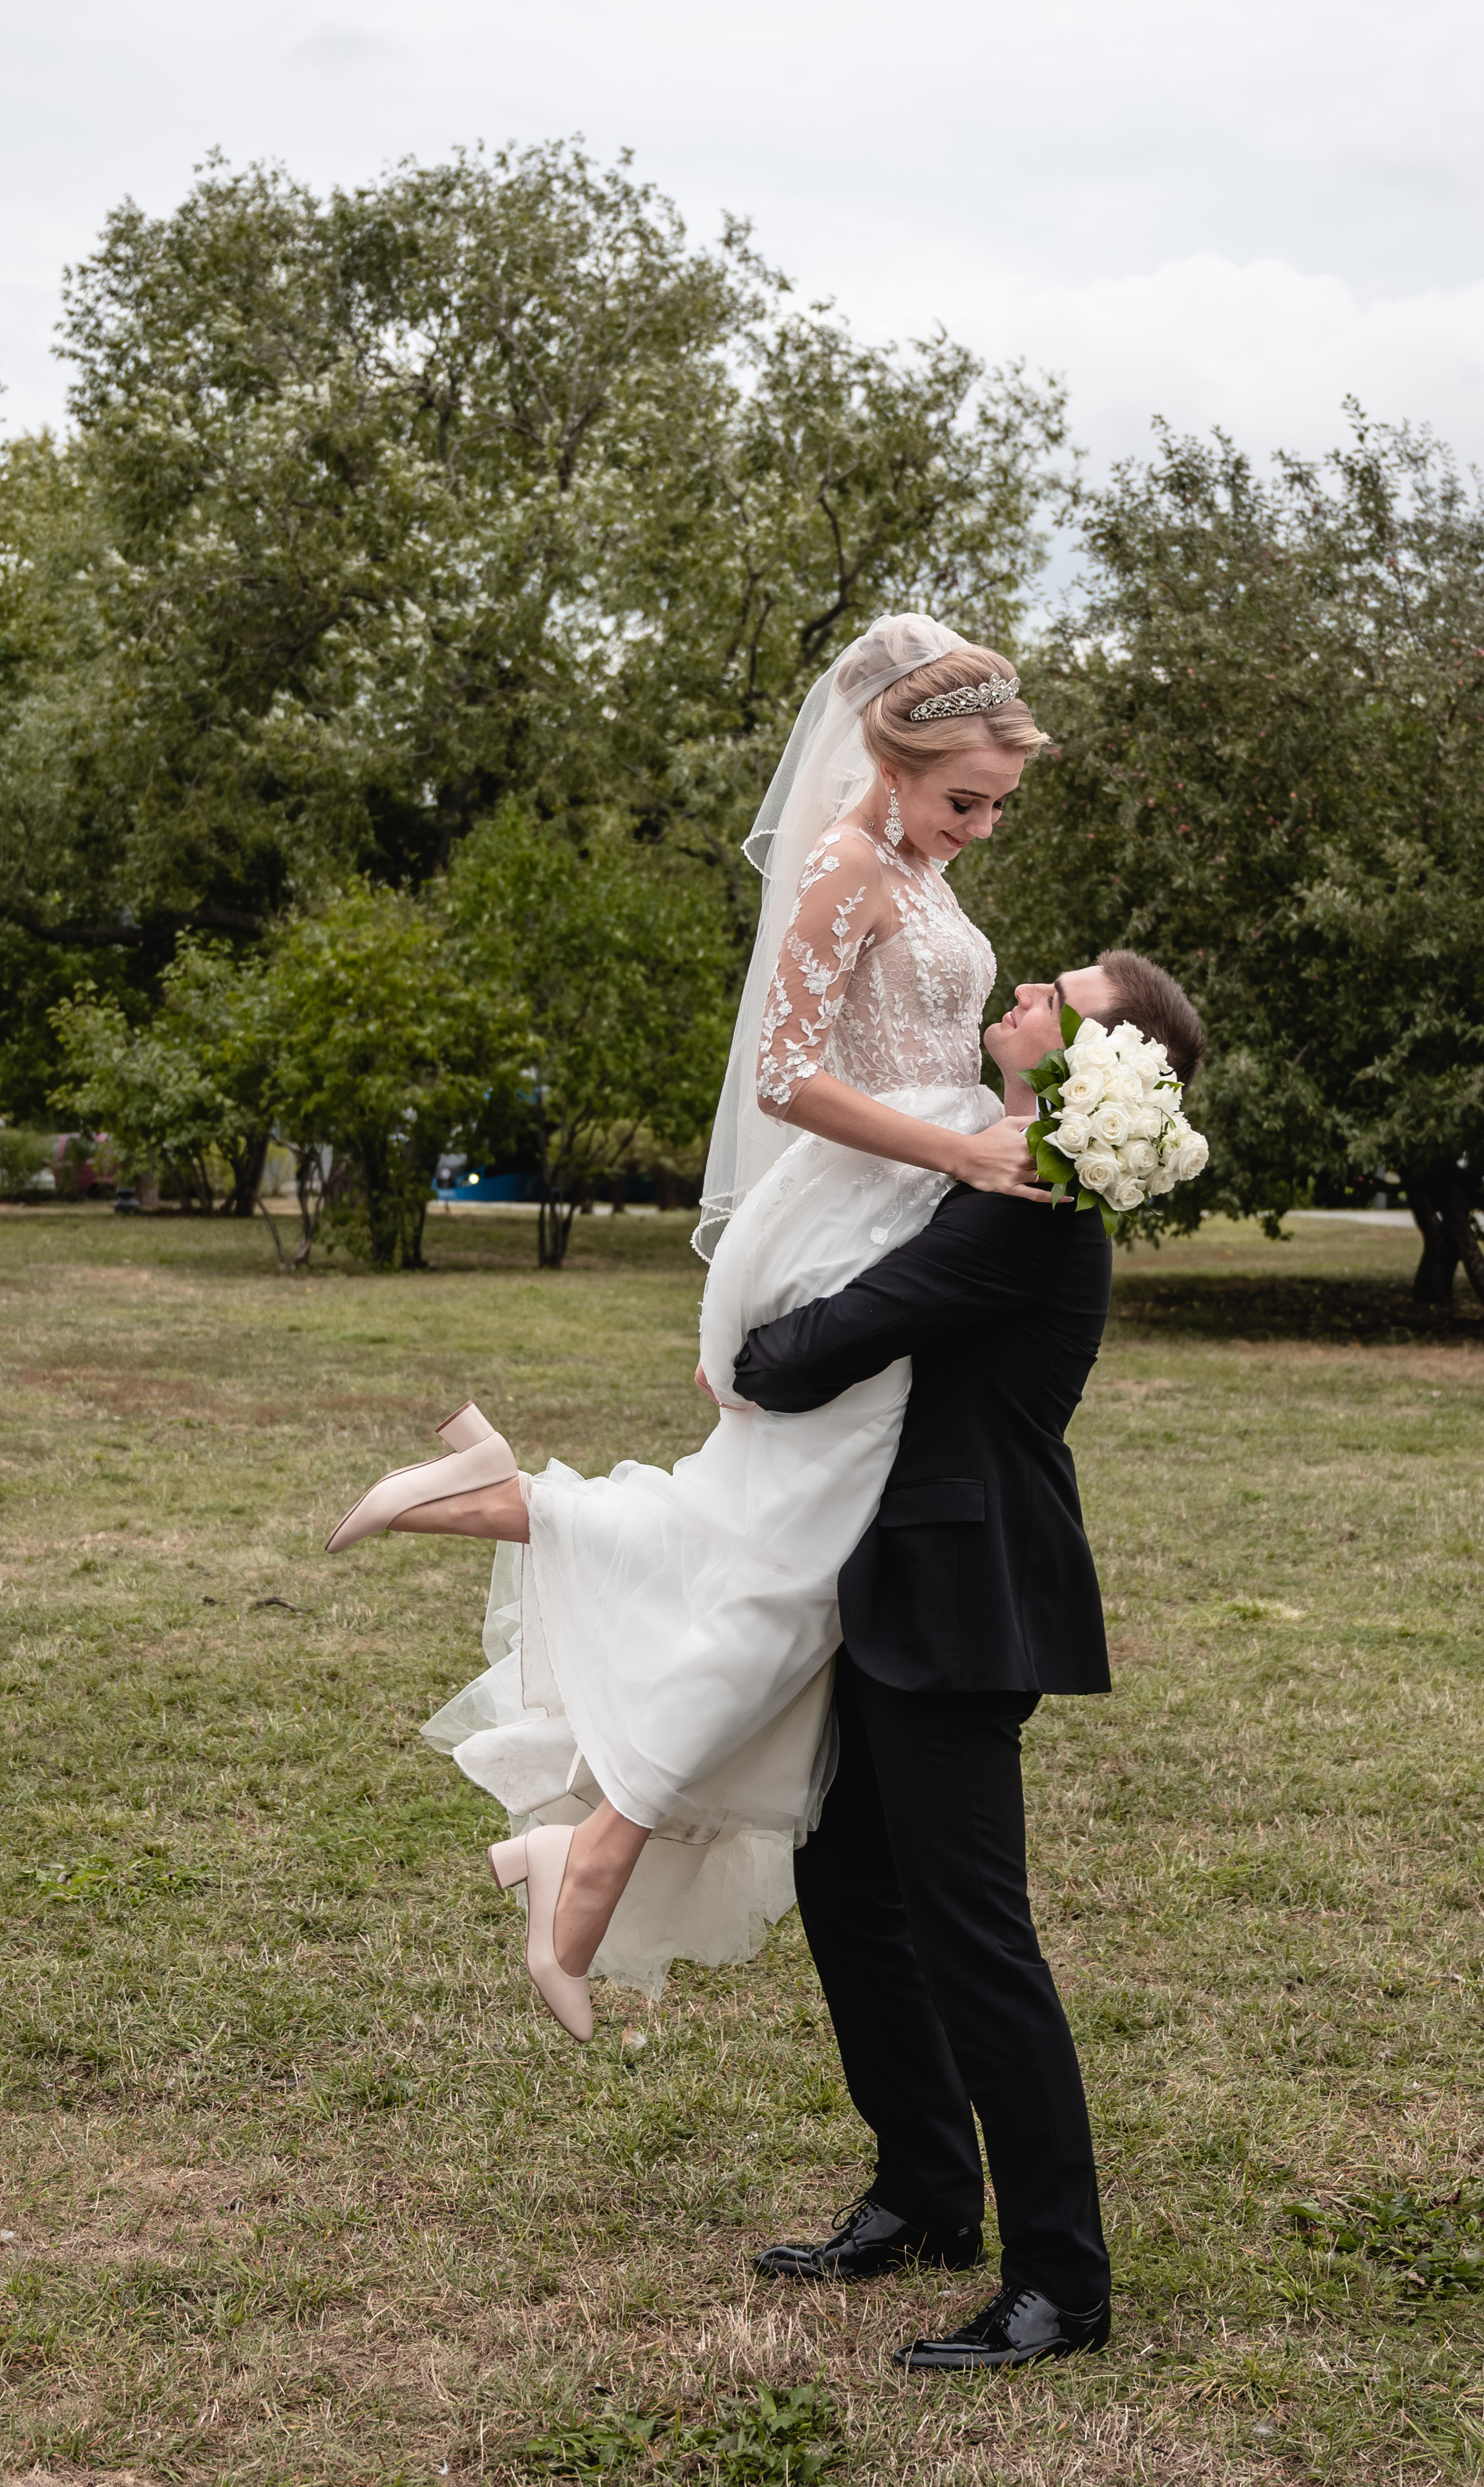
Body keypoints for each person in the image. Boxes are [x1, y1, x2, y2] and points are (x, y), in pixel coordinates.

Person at [325, 615, 1052, 2031]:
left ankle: (517, 1532)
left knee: (780, 1551)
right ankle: (588, 1856)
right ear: (888, 763)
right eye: (962, 798)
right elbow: (784, 1079)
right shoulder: (847, 868)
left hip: (909, 1209)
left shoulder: (912, 867)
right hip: (854, 1213)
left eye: (995, 808)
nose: (977, 827)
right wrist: (958, 1152)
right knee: (787, 1566)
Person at [728, 959, 1202, 2375]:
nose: (1028, 982)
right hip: (902, 1584)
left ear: (1084, 1057)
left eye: (1060, 987)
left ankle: (1062, 2279)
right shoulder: (987, 1168)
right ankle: (927, 2193)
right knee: (849, 1885)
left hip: (957, 1593)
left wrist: (745, 1348)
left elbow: (813, 1351)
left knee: (973, 1938)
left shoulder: (1030, 1210)